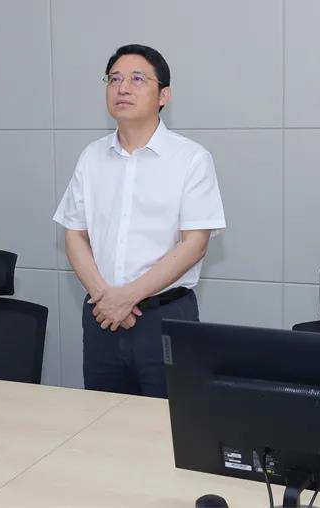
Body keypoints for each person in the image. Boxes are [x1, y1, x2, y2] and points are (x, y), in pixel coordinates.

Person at [53, 44, 226, 397]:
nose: (123, 88)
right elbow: (74, 234)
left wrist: (128, 297)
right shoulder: (91, 157)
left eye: (136, 79)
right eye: (114, 79)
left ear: (164, 95)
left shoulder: (191, 159)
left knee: (170, 420)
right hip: (101, 315)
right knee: (101, 419)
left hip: (164, 316)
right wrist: (105, 298)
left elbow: (195, 244)